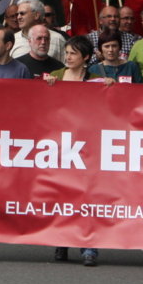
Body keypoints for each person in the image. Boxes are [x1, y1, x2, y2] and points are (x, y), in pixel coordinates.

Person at [44, 37, 102, 266]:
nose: (68, 57)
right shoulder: (56, 76)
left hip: (88, 147)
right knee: (64, 196)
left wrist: (110, 86)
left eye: (73, 53)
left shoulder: (96, 80)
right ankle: (62, 241)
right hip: (61, 147)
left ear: (85, 57)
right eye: (66, 52)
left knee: (88, 197)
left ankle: (89, 247)